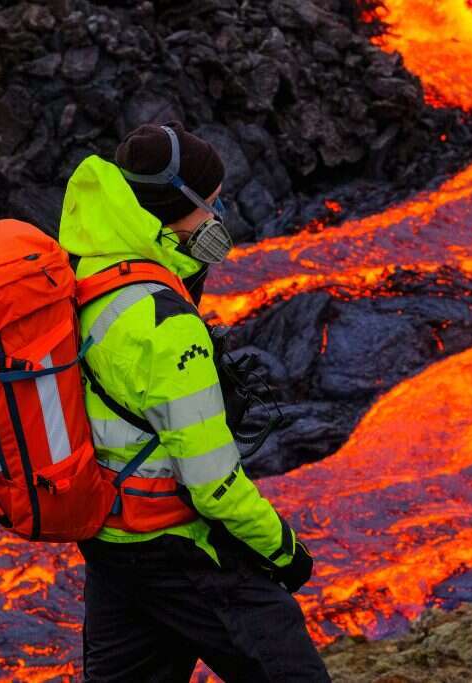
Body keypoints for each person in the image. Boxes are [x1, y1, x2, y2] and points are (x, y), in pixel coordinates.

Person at [58, 121, 330, 682]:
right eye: (210, 203)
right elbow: (214, 485)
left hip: (110, 547)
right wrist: (287, 553)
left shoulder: (87, 268)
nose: (217, 215)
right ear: (172, 205)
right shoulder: (165, 325)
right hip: (177, 549)